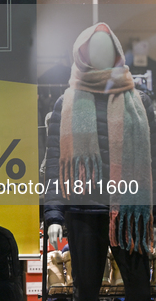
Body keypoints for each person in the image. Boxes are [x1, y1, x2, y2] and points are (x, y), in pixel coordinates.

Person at [44, 22, 156, 301]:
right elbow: (56, 164)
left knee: (140, 288)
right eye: (94, 49)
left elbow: (153, 161)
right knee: (85, 292)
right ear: (82, 54)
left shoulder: (140, 102)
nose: (101, 55)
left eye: (107, 48)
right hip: (83, 211)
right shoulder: (65, 103)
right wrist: (54, 215)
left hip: (130, 215)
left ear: (118, 52)